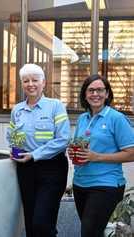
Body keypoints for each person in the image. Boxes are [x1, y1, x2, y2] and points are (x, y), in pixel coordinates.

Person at [7, 64, 70, 237]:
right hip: (25, 169)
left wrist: (34, 155)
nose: (30, 84)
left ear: (44, 83)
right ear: (22, 84)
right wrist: (13, 149)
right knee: (30, 222)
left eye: (35, 80)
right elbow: (11, 135)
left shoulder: (55, 106)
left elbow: (63, 139)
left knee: (42, 222)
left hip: (52, 169)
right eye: (26, 80)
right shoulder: (17, 110)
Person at [67, 74, 134, 237]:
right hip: (81, 183)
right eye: (91, 90)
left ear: (107, 94)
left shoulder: (116, 118)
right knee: (93, 231)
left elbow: (131, 153)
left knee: (89, 232)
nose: (95, 94)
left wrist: (96, 157)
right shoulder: (83, 118)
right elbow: (82, 146)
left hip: (106, 184)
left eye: (99, 90)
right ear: (85, 94)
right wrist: (73, 152)